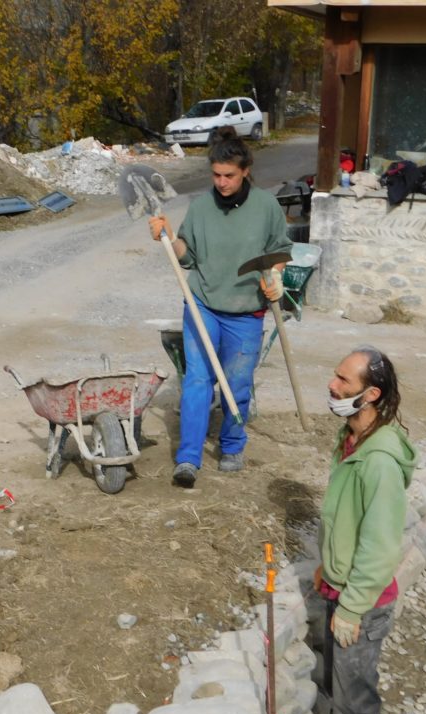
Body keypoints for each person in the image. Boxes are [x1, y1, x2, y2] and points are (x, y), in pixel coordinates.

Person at [149, 126, 291, 488]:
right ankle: (188, 458)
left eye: (229, 175)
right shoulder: (201, 207)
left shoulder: (266, 207)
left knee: (238, 383)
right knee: (197, 380)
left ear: (245, 171)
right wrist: (167, 236)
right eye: (216, 175)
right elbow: (187, 257)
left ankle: (231, 446)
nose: (222, 183)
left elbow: (280, 252)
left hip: (246, 311)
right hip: (204, 305)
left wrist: (274, 277)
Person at [314, 346, 417, 714]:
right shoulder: (352, 438)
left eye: (343, 380)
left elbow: (379, 545)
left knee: (355, 698)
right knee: (338, 686)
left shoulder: (379, 462)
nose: (332, 385)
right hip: (341, 586)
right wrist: (330, 564)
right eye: (335, 375)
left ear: (371, 394)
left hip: (363, 602)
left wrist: (353, 607)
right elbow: (346, 516)